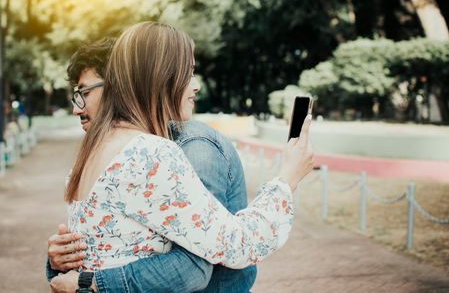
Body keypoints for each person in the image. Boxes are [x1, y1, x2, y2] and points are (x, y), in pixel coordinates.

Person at [49, 22, 313, 292]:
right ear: (160, 77)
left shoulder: (93, 151)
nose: (196, 86)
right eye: (187, 73)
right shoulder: (150, 154)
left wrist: (65, 270)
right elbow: (234, 244)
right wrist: (288, 179)